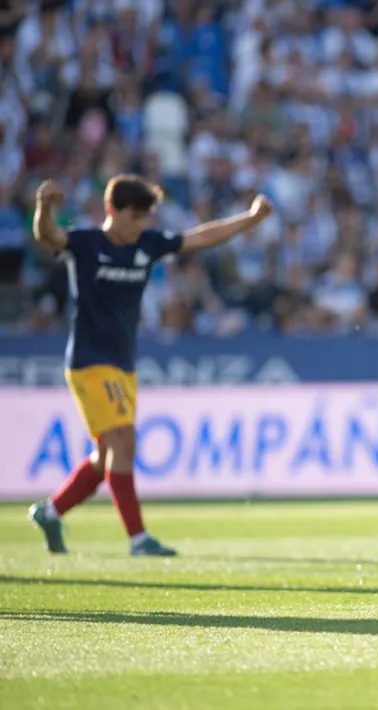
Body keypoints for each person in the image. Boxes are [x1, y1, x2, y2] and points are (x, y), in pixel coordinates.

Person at [28, 175, 275, 555]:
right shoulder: (86, 243)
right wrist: (45, 207)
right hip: (90, 362)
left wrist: (251, 218)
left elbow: (201, 238)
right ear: (112, 210)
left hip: (123, 365)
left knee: (107, 456)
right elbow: (48, 236)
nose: (140, 226)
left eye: (145, 218)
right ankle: (138, 539)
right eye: (135, 217)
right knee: (124, 441)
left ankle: (51, 511)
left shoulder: (147, 244)